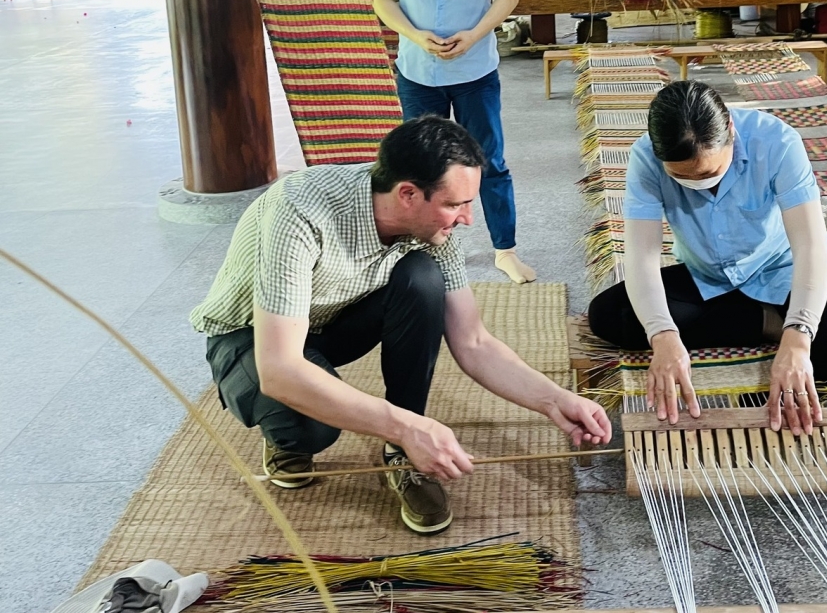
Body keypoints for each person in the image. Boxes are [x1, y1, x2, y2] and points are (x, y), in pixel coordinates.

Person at [192, 117, 611, 534]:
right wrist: (405, 425)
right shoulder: (300, 209)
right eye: (455, 204)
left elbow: (474, 342)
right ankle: (291, 439)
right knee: (311, 427)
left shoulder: (431, 225)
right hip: (252, 336)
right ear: (407, 194)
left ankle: (403, 454)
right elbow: (280, 369)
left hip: (331, 323)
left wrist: (556, 401)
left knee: (421, 277)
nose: (467, 219)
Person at [587, 81, 827, 434]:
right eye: (681, 178)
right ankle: (765, 322)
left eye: (706, 174)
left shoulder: (778, 142)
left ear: (731, 133)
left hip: (782, 270)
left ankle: (778, 332)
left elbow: (809, 245)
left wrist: (799, 335)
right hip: (710, 278)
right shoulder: (646, 157)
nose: (698, 184)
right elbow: (641, 256)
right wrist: (663, 337)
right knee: (609, 316)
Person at [374, 0, 534, 286]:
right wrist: (414, 34)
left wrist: (474, 35)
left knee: (491, 160)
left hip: (474, 73)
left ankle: (505, 250)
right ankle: (426, 251)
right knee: (421, 165)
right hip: (418, 74)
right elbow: (383, 0)